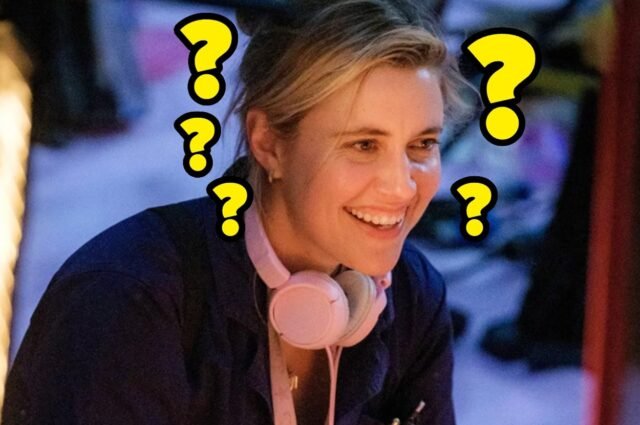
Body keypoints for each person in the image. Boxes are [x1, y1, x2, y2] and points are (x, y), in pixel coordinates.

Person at [3, 1, 468, 424]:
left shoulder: (413, 293)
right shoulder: (127, 303)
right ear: (269, 143)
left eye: (422, 144)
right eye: (363, 145)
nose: (403, 186)